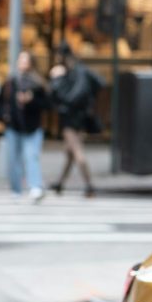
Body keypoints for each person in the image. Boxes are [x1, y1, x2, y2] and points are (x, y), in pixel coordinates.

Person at [48, 48, 101, 198]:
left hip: (71, 118)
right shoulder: (81, 70)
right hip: (81, 116)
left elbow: (56, 94)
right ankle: (60, 183)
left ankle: (90, 185)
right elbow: (98, 83)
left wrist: (56, 79)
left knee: (77, 152)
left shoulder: (69, 72)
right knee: (69, 153)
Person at [0, 49, 48, 201]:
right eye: (21, 60)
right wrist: (2, 118)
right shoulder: (11, 82)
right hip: (13, 127)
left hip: (32, 127)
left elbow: (47, 104)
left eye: (26, 61)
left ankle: (35, 186)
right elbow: (0, 102)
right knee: (13, 159)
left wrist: (31, 100)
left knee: (31, 156)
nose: (23, 64)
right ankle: (16, 189)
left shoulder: (38, 83)